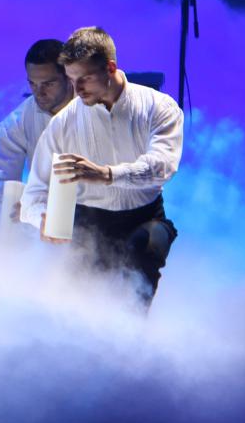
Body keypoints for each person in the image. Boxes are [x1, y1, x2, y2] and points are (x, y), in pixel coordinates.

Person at [20, 27, 182, 306]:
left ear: (110, 67)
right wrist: (42, 217)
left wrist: (106, 174)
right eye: (72, 80)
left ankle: (134, 327)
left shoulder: (159, 107)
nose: (77, 89)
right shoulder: (63, 123)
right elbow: (32, 197)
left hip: (144, 218)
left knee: (147, 245)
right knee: (84, 307)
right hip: (88, 225)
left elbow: (162, 167)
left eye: (85, 78)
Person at [0, 39, 74, 223]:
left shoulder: (100, 110)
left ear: (70, 78)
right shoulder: (16, 124)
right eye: (33, 84)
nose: (39, 93)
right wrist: (5, 220)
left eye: (48, 84)